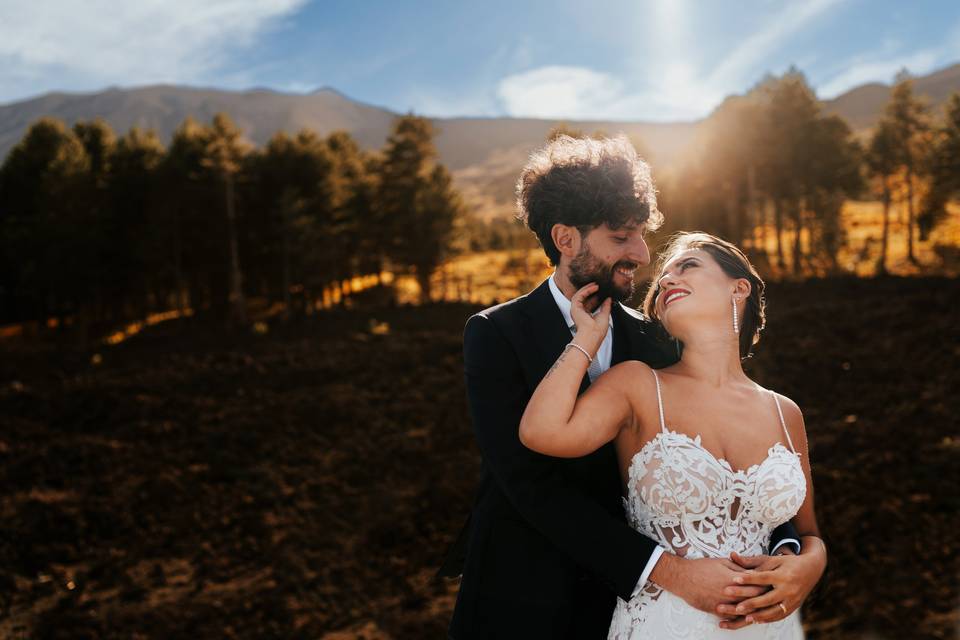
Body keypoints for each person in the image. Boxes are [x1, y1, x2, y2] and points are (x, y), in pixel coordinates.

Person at [439, 135, 826, 639]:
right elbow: (530, 484)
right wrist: (670, 572)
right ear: (566, 238)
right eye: (623, 237)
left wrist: (797, 555)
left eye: (642, 235)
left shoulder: (657, 340)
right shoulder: (495, 333)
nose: (642, 255)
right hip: (524, 596)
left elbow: (736, 472)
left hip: (631, 604)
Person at [519, 230, 827, 638]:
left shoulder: (784, 412)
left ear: (739, 289)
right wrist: (586, 339)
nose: (665, 279)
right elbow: (542, 431)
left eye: (688, 266)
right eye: (663, 276)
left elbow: (807, 534)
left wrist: (809, 566)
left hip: (771, 629)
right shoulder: (638, 386)